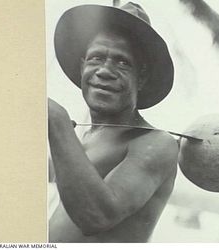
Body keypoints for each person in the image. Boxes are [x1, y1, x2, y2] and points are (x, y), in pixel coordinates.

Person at [48, 2, 178, 243]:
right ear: (82, 66)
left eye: (122, 62)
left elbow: (97, 217)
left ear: (142, 77)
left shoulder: (156, 143)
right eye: (96, 58)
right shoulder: (83, 136)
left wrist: (56, 120)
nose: (104, 71)